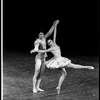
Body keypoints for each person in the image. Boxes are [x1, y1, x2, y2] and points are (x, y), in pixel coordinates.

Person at [33, 20, 94, 94]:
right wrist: (35, 50)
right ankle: (87, 67)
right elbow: (43, 51)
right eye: (49, 42)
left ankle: (58, 87)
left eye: (50, 41)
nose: (50, 42)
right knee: (73, 66)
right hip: (58, 62)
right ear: (49, 44)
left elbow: (54, 33)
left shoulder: (55, 43)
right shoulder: (50, 48)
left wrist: (55, 26)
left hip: (61, 60)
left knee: (64, 74)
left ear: (52, 41)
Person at [30, 20, 59, 93]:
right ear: (38, 35)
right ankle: (34, 87)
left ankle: (38, 87)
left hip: (43, 58)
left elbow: (50, 32)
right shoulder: (37, 41)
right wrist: (34, 50)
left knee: (41, 72)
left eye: (42, 34)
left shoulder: (44, 38)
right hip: (39, 58)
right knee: (37, 71)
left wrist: (53, 25)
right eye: (40, 34)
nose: (41, 35)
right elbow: (36, 48)